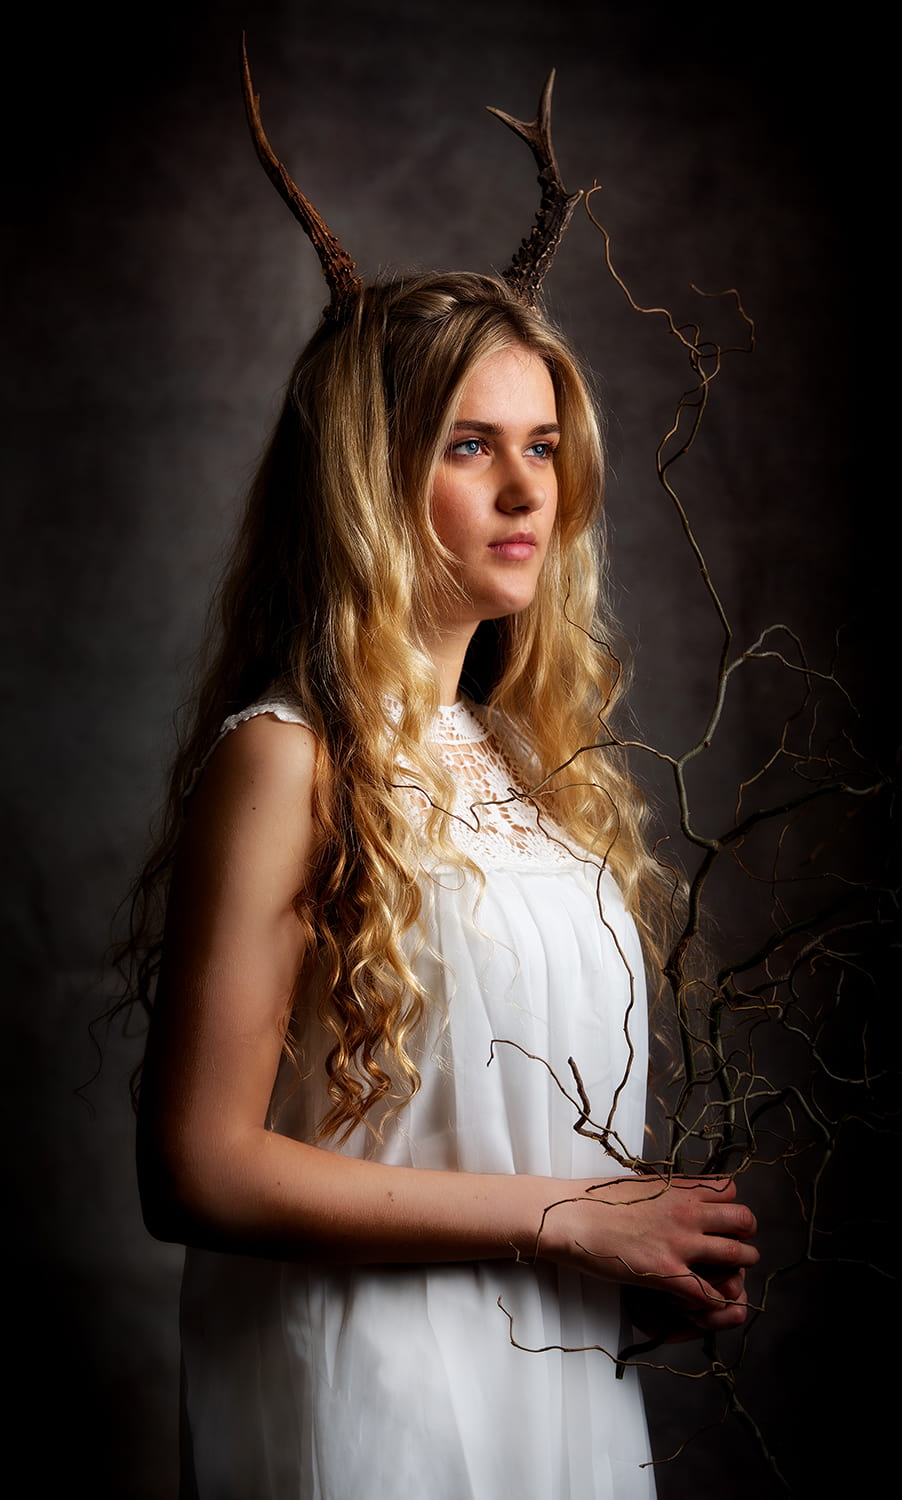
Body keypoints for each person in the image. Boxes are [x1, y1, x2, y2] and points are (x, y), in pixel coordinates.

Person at [125, 55, 758, 1500]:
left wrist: (641, 1246)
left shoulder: (525, 764)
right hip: (377, 1397)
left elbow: (506, 1131)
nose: (531, 491)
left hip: (550, 1378)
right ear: (369, 471)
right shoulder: (289, 757)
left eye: (544, 446)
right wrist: (567, 1219)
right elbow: (197, 1169)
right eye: (472, 447)